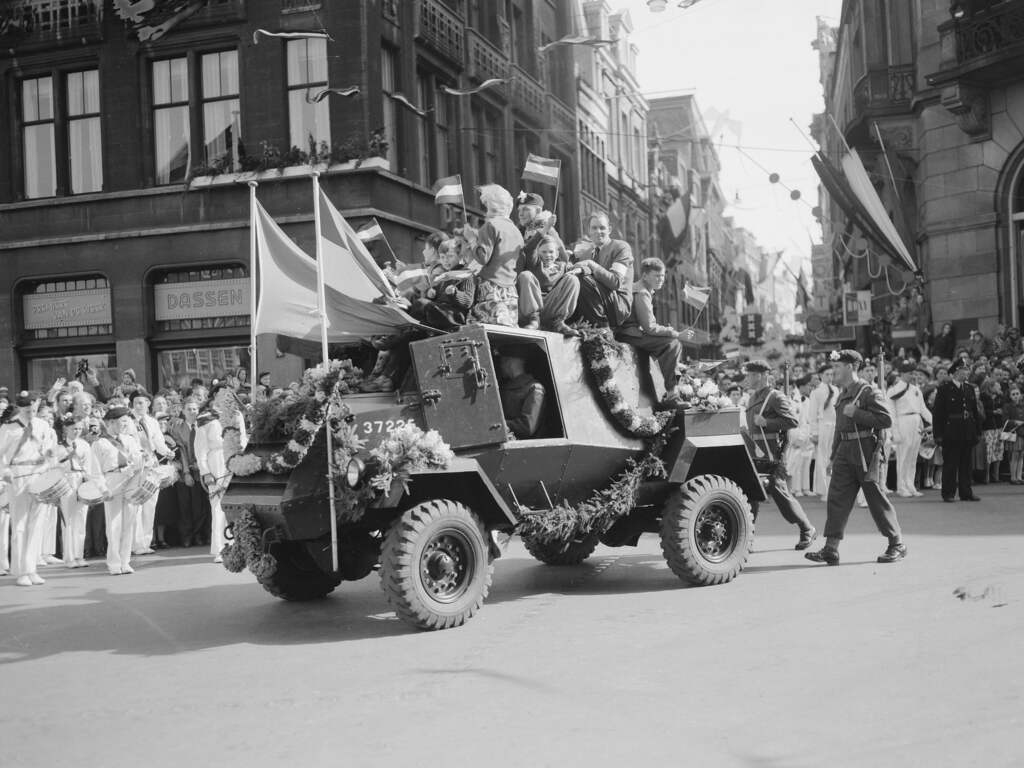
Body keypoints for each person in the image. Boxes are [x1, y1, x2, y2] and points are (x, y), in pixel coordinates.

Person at [806, 350, 907, 566]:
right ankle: (831, 548)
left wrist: (857, 414)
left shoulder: (868, 391)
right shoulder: (843, 394)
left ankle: (896, 543)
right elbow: (839, 429)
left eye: (838, 366)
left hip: (865, 451)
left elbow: (885, 420)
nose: (834, 371)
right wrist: (833, 456)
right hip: (845, 450)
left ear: (851, 367)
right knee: (836, 498)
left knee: (876, 499)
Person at [741, 360, 817, 550]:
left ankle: (807, 528)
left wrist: (767, 422)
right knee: (751, 495)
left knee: (780, 493)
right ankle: (746, 537)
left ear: (760, 375)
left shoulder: (775, 396)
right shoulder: (753, 398)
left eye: (750, 375)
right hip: (756, 452)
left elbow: (791, 421)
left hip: (772, 452)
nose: (747, 379)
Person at [541, 212, 633, 336]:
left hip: (616, 305)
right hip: (594, 300)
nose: (598, 231)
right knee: (570, 278)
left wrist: (591, 264)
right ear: (588, 230)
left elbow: (615, 282)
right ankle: (558, 319)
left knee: (582, 279)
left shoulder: (621, 247)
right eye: (594, 228)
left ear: (609, 229)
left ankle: (602, 328)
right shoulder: (585, 251)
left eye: (602, 228)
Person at [0, 392, 57, 586]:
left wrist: (50, 456)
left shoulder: (42, 425)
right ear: (19, 407)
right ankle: (21, 571)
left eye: (33, 409)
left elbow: (50, 449)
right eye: (26, 409)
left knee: (37, 523)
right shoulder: (9, 428)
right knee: (20, 524)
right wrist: (4, 471)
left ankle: (31, 568)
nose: (30, 412)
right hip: (18, 475)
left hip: (38, 474)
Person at [615, 257, 689, 396]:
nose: (661, 279)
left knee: (670, 344)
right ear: (644, 275)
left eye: (662, 276)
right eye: (656, 276)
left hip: (631, 332)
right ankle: (671, 391)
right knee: (673, 344)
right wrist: (675, 333)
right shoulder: (642, 292)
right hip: (629, 334)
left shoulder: (642, 288)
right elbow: (650, 327)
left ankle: (669, 385)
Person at [91, 406, 145, 575]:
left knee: (129, 523)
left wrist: (144, 460)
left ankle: (125, 561)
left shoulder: (129, 440)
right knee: (114, 524)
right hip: (112, 480)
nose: (125, 424)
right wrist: (103, 488)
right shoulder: (100, 443)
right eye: (122, 421)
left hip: (130, 479)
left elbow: (138, 459)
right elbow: (95, 470)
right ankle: (114, 563)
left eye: (126, 421)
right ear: (111, 422)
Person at [466, 184, 523, 327]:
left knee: (483, 330)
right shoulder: (516, 231)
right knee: (506, 331)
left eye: (485, 204)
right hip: (510, 290)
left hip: (490, 287)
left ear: (490, 205)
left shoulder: (490, 226)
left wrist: (472, 240)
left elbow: (482, 258)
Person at [55, 413, 106, 568]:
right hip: (66, 480)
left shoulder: (84, 444)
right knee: (68, 520)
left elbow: (91, 465)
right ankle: (69, 557)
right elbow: (53, 465)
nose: (76, 431)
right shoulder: (58, 445)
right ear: (65, 429)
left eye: (78, 428)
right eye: (73, 428)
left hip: (81, 480)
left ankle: (79, 555)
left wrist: (92, 482)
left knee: (81, 519)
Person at [129, 389, 174, 554]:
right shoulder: (129, 420)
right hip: (136, 466)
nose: (140, 406)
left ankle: (146, 542)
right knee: (137, 504)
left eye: (143, 402)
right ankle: (136, 543)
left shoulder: (152, 421)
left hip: (151, 464)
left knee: (150, 503)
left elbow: (158, 441)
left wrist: (166, 451)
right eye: (136, 403)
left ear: (148, 403)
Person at [931, 357, 982, 503]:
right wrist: (938, 435)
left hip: (967, 431)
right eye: (964, 370)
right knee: (951, 464)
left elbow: (974, 412)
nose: (966, 372)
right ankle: (948, 493)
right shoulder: (944, 389)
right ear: (955, 372)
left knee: (966, 464)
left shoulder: (969, 388)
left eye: (967, 369)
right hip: (951, 432)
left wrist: (977, 431)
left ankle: (966, 492)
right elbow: (938, 414)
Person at [888, 359, 932, 497]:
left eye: (913, 372)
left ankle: (910, 484)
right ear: (901, 373)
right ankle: (901, 486)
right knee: (903, 455)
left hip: (916, 421)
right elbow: (892, 413)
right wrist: (895, 432)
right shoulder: (894, 390)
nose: (912, 375)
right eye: (909, 373)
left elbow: (923, 409)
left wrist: (934, 422)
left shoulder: (916, 389)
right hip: (903, 421)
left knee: (913, 456)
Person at [169, 397, 207, 546]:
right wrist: (186, 473)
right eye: (189, 409)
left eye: (195, 409)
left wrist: (201, 466)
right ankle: (186, 536)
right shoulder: (177, 428)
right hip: (184, 471)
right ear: (183, 411)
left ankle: (198, 535)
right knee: (184, 506)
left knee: (199, 506)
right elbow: (181, 451)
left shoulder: (203, 427)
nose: (192, 412)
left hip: (200, 471)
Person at [517, 234, 569, 329]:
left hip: (552, 306)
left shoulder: (563, 266)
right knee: (525, 275)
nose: (548, 255)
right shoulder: (535, 264)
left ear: (557, 254)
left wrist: (581, 269)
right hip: (535, 304)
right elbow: (529, 249)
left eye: (551, 252)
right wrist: (543, 231)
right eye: (544, 252)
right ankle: (534, 320)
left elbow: (583, 267)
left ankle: (559, 321)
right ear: (537, 253)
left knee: (572, 279)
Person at [497, 345, 547, 439]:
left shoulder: (534, 389)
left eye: (501, 362)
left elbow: (527, 427)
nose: (500, 366)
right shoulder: (504, 387)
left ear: (509, 362)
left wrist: (497, 423)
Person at [806, 364, 839, 499]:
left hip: (834, 425)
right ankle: (824, 490)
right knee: (822, 458)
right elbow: (812, 414)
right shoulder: (816, 392)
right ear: (820, 376)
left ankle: (833, 487)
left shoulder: (836, 390)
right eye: (827, 375)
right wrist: (814, 432)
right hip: (823, 425)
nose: (830, 377)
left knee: (833, 457)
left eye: (832, 374)